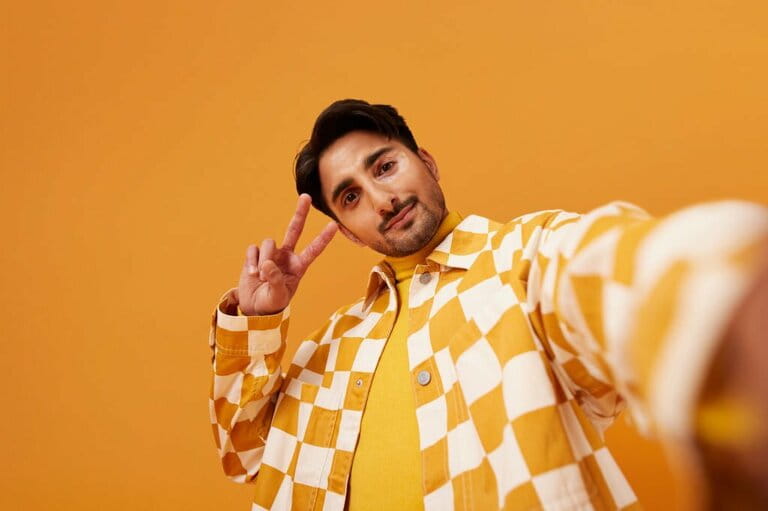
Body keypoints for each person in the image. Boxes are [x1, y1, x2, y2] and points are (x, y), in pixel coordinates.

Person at [209, 99, 768, 510]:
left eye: (384, 167)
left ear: (427, 162)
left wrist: (723, 290)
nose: (382, 200)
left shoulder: (525, 257)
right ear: (349, 233)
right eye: (350, 197)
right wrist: (259, 321)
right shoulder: (331, 345)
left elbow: (611, 270)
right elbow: (247, 456)